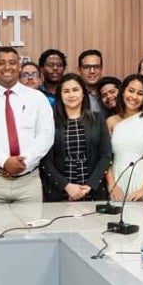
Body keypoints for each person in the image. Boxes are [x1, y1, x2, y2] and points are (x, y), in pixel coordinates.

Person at [0, 47, 54, 203]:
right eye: (1, 63)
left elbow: (46, 135)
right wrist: (4, 162)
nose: (7, 67)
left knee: (31, 227)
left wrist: (23, 163)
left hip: (28, 181)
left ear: (19, 67)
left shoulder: (38, 98)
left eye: (12, 63)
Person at [41, 73, 112, 202]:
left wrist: (90, 185)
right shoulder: (50, 122)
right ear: (60, 95)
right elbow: (46, 160)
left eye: (75, 90)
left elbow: (106, 156)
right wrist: (67, 186)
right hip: (60, 191)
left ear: (83, 93)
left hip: (92, 190)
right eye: (66, 91)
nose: (71, 95)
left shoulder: (98, 119)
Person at [105, 74, 143, 201]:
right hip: (117, 180)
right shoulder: (111, 121)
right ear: (122, 92)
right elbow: (105, 156)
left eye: (140, 93)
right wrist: (112, 184)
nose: (133, 97)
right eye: (131, 91)